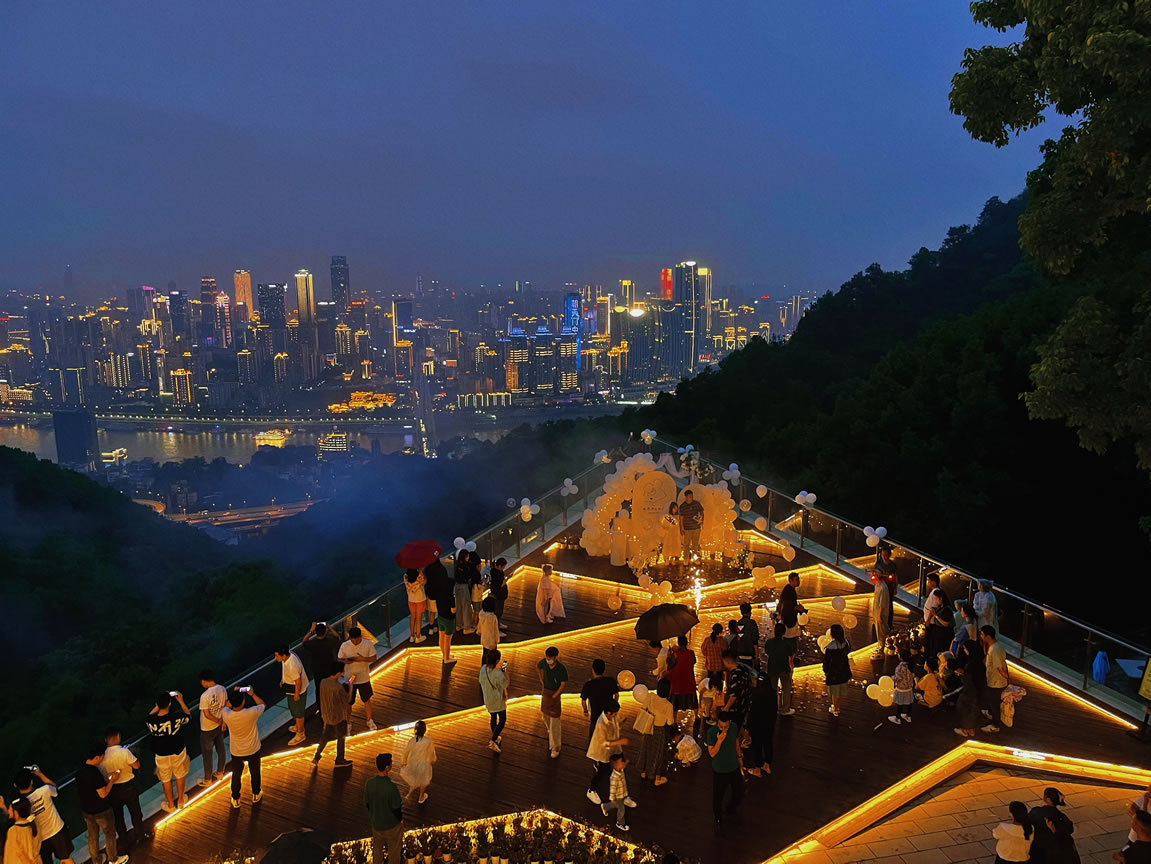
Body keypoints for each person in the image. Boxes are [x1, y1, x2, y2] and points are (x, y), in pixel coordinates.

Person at [76, 743, 129, 864]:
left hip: (86, 810)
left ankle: (96, 860)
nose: (103, 759)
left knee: (92, 836)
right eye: (102, 756)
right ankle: (113, 859)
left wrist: (106, 779)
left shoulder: (80, 770)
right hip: (101, 810)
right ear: (96, 757)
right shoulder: (94, 773)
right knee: (110, 834)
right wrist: (112, 781)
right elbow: (103, 794)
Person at [11, 766, 73, 864]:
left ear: (15, 785)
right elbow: (54, 788)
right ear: (31, 782)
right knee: (66, 859)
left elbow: (12, 819)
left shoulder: (16, 805)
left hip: (39, 839)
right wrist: (39, 774)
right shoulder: (45, 790)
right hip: (57, 831)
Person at [146, 690, 193, 812]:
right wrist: (181, 701)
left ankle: (171, 805)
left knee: (165, 780)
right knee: (180, 775)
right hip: (178, 752)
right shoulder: (176, 718)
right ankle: (181, 801)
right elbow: (188, 716)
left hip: (161, 754)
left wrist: (158, 705)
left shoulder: (151, 721)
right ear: (170, 704)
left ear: (157, 704)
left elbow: (150, 715)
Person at [103, 725, 146, 848]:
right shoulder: (124, 752)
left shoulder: (101, 757)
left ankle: (124, 840)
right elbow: (136, 765)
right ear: (118, 737)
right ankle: (140, 836)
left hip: (112, 789)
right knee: (135, 813)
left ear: (106, 739)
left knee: (118, 817)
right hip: (128, 787)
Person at [222, 686, 265, 808]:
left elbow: (226, 706)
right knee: (255, 772)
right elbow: (262, 704)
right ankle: (256, 793)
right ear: (243, 702)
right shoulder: (251, 712)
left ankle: (236, 798)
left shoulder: (226, 714)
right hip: (253, 749)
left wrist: (234, 695)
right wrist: (252, 694)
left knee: (236, 774)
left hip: (236, 751)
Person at [585, 700, 628, 806]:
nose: (616, 715)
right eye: (615, 713)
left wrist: (621, 722)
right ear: (608, 713)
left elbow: (616, 725)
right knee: (602, 771)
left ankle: (622, 794)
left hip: (615, 748)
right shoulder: (601, 724)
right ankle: (591, 790)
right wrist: (620, 742)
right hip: (604, 751)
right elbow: (604, 743)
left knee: (621, 767)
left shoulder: (612, 717)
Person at [365, 753, 404, 864]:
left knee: (377, 849)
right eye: (391, 763)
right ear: (387, 767)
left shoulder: (369, 784)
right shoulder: (391, 787)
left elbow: (367, 804)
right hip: (391, 826)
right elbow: (396, 808)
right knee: (394, 851)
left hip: (376, 824)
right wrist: (400, 821)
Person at [707, 711, 743, 825]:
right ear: (717, 722)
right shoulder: (711, 732)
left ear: (729, 722)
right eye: (721, 726)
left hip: (733, 766)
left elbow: (736, 742)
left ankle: (731, 808)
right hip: (720, 769)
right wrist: (719, 741)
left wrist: (739, 757)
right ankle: (718, 817)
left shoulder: (734, 727)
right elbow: (712, 753)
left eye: (726, 726)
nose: (724, 729)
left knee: (739, 791)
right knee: (718, 796)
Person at [313, 668, 354, 768]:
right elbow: (347, 700)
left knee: (324, 737)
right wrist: (351, 686)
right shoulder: (338, 687)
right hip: (338, 717)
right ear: (338, 673)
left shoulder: (323, 682)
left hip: (326, 716)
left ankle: (317, 756)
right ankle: (339, 759)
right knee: (341, 737)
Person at [340, 626, 378, 730]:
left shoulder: (367, 644)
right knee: (349, 702)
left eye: (357, 639)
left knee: (367, 699)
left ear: (360, 637)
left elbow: (374, 657)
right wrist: (347, 661)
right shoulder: (344, 645)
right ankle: (348, 723)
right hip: (349, 679)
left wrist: (363, 659)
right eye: (353, 640)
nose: (355, 642)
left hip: (363, 677)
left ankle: (369, 720)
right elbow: (339, 659)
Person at [638, 679, 674, 785]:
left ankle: (643, 772)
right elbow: (669, 722)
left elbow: (643, 708)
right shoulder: (669, 705)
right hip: (659, 730)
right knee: (658, 752)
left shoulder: (650, 696)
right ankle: (656, 777)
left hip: (648, 726)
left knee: (646, 747)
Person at [198, 669, 228, 787]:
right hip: (219, 726)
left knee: (207, 755)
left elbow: (206, 714)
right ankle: (220, 772)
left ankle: (207, 779)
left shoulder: (204, 696)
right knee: (221, 749)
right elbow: (225, 705)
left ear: (204, 681)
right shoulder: (222, 689)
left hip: (207, 729)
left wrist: (218, 721)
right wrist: (222, 722)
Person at [537, 646, 568, 757]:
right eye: (547, 657)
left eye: (550, 657)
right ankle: (550, 730)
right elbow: (538, 667)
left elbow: (563, 684)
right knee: (545, 714)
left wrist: (555, 695)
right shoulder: (544, 663)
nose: (548, 659)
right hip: (546, 692)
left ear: (555, 657)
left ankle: (555, 747)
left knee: (555, 720)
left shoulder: (561, 668)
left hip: (555, 694)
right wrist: (541, 680)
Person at [276, 644, 310, 745]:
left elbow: (298, 682)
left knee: (298, 713)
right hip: (291, 689)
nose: (275, 658)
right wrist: (283, 680)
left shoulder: (292, 665)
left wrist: (296, 694)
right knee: (294, 710)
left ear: (283, 656)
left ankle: (300, 733)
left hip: (296, 690)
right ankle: (298, 726)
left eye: (277, 656)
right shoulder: (288, 656)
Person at [1029, 787, 1074, 864]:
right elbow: (1070, 829)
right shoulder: (1061, 817)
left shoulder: (1037, 812)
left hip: (1039, 848)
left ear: (1047, 798)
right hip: (1055, 851)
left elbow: (1027, 821)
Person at [425, 558, 457, 665]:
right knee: (448, 640)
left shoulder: (436, 590)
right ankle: (447, 658)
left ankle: (444, 655)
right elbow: (453, 609)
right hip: (448, 618)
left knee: (441, 637)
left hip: (440, 616)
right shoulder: (449, 591)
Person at [744, 675, 777, 777]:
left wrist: (747, 727)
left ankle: (757, 769)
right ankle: (767, 765)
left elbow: (752, 712)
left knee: (756, 746)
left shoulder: (756, 694)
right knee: (768, 744)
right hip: (769, 725)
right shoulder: (773, 693)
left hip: (757, 726)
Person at [580, 659, 620, 738]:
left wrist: (585, 711)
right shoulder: (610, 681)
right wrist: (613, 705)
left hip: (595, 716)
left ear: (593, 670)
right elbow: (617, 695)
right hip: (608, 714)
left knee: (594, 738)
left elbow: (583, 701)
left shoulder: (589, 685)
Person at [479, 649, 509, 752]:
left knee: (493, 717)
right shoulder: (498, 674)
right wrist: (504, 672)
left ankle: (495, 737)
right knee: (502, 719)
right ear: (497, 661)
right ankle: (492, 741)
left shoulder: (483, 669)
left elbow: (480, 681)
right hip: (497, 700)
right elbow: (504, 684)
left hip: (487, 698)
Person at [764, 622, 796, 716]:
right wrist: (791, 668)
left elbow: (767, 652)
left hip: (772, 668)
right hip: (784, 668)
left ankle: (773, 708)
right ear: (784, 632)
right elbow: (790, 658)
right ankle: (785, 709)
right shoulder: (786, 644)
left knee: (773, 690)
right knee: (786, 689)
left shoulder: (769, 642)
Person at [953, 639, 984, 737]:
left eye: (965, 649)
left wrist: (961, 675)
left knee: (964, 708)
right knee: (973, 710)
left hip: (969, 692)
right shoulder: (980, 664)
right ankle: (971, 729)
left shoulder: (970, 665)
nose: (964, 650)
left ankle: (964, 730)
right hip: (979, 692)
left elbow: (967, 680)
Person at [401, 721, 436, 804]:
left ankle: (410, 792)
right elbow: (431, 752)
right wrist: (433, 760)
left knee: (415, 777)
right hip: (424, 764)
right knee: (424, 780)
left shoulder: (412, 740)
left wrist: (403, 761)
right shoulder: (428, 741)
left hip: (413, 763)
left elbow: (406, 752)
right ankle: (421, 797)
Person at [982, 625, 1009, 732]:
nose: (981, 636)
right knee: (992, 702)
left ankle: (995, 725)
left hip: (996, 682)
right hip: (996, 681)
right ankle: (990, 714)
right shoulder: (998, 645)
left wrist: (1007, 677)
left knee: (995, 705)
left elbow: (1000, 668)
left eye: (982, 634)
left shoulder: (994, 650)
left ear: (988, 636)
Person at [822, 624, 852, 717]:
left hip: (834, 672)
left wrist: (826, 671)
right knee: (840, 690)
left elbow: (827, 661)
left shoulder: (830, 648)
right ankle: (837, 706)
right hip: (844, 670)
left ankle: (835, 709)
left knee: (835, 692)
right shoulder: (846, 643)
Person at [922, 572, 952, 659]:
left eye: (929, 581)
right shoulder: (935, 591)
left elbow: (933, 608)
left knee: (929, 641)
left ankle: (927, 658)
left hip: (931, 622)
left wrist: (928, 620)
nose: (928, 583)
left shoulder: (936, 592)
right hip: (931, 621)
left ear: (934, 582)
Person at [721, 650, 753, 725]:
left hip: (737, 707)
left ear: (727, 661)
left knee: (734, 725)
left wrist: (726, 708)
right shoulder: (743, 668)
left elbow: (734, 696)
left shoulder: (735, 676)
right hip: (745, 703)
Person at [602, 753, 633, 831]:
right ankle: (620, 823)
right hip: (618, 795)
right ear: (615, 765)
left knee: (616, 805)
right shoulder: (614, 777)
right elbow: (612, 788)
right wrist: (612, 798)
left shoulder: (621, 770)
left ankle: (605, 806)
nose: (623, 763)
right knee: (621, 809)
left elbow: (624, 765)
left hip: (622, 793)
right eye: (621, 762)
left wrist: (626, 762)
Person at [668, 635, 698, 713]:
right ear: (686, 643)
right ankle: (696, 716)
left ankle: (674, 719)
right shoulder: (691, 653)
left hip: (677, 683)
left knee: (675, 705)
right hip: (689, 682)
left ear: (678, 643)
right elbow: (694, 661)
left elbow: (670, 666)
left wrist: (669, 655)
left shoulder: (675, 655)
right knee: (693, 702)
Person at [888, 648, 915, 725]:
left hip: (901, 689)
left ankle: (897, 718)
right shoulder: (911, 665)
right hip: (909, 688)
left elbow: (898, 679)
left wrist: (892, 678)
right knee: (909, 703)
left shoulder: (899, 668)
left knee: (900, 704)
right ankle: (908, 716)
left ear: (901, 657)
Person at [870, 565, 893, 654]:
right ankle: (879, 646)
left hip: (881, 613)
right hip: (876, 611)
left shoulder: (883, 588)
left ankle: (881, 648)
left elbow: (882, 604)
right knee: (878, 631)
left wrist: (879, 616)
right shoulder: (877, 585)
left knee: (881, 631)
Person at [453, 550, 475, 634]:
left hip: (457, 586)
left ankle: (459, 624)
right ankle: (467, 627)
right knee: (466, 606)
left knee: (459, 605)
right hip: (464, 586)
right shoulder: (466, 566)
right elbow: (468, 577)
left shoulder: (457, 564)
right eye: (467, 556)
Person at [403, 569, 428, 643]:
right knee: (419, 617)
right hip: (420, 598)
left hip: (411, 599)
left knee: (412, 617)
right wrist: (423, 572)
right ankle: (418, 637)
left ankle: (412, 636)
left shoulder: (405, 576)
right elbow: (424, 582)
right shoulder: (419, 575)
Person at [476, 596, 501, 666]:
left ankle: (483, 667)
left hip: (484, 638)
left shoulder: (481, 614)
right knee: (492, 655)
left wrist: (479, 631)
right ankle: (491, 667)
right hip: (491, 639)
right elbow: (495, 630)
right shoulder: (493, 617)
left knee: (484, 654)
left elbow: (479, 625)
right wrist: (497, 640)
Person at [679, 490, 703, 559]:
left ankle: (695, 558)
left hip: (696, 528)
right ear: (686, 497)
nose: (691, 498)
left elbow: (702, 512)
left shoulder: (696, 504)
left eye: (692, 497)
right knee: (686, 544)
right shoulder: (683, 506)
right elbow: (681, 518)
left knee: (695, 544)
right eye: (689, 497)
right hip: (687, 529)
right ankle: (686, 559)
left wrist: (701, 521)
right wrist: (681, 528)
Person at [735, 603, 760, 668]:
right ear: (750, 612)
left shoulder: (738, 623)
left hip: (740, 655)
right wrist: (757, 657)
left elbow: (738, 639)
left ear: (741, 612)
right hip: (750, 655)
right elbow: (755, 641)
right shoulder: (752, 623)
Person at [488, 558, 510, 631]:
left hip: (498, 594)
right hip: (498, 594)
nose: (504, 568)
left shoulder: (494, 571)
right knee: (498, 611)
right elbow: (500, 584)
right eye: (503, 566)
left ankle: (498, 623)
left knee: (499, 610)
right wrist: (506, 580)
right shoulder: (497, 573)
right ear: (500, 566)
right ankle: (497, 628)